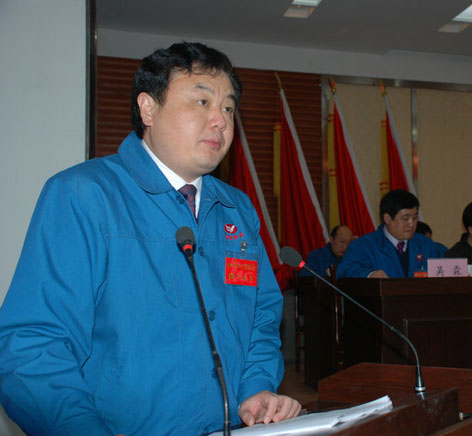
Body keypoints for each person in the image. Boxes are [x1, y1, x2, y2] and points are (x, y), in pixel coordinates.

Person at [0, 42, 300, 435]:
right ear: (148, 109)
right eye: (202, 102)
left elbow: (261, 316)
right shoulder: (83, 196)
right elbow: (32, 345)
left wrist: (255, 387)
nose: (220, 121)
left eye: (228, 108)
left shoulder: (237, 209)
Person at [337, 190, 447, 278]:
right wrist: (369, 274)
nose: (411, 223)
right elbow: (344, 271)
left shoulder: (426, 245)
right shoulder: (364, 246)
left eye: (414, 217)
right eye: (405, 218)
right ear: (387, 218)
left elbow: (446, 268)